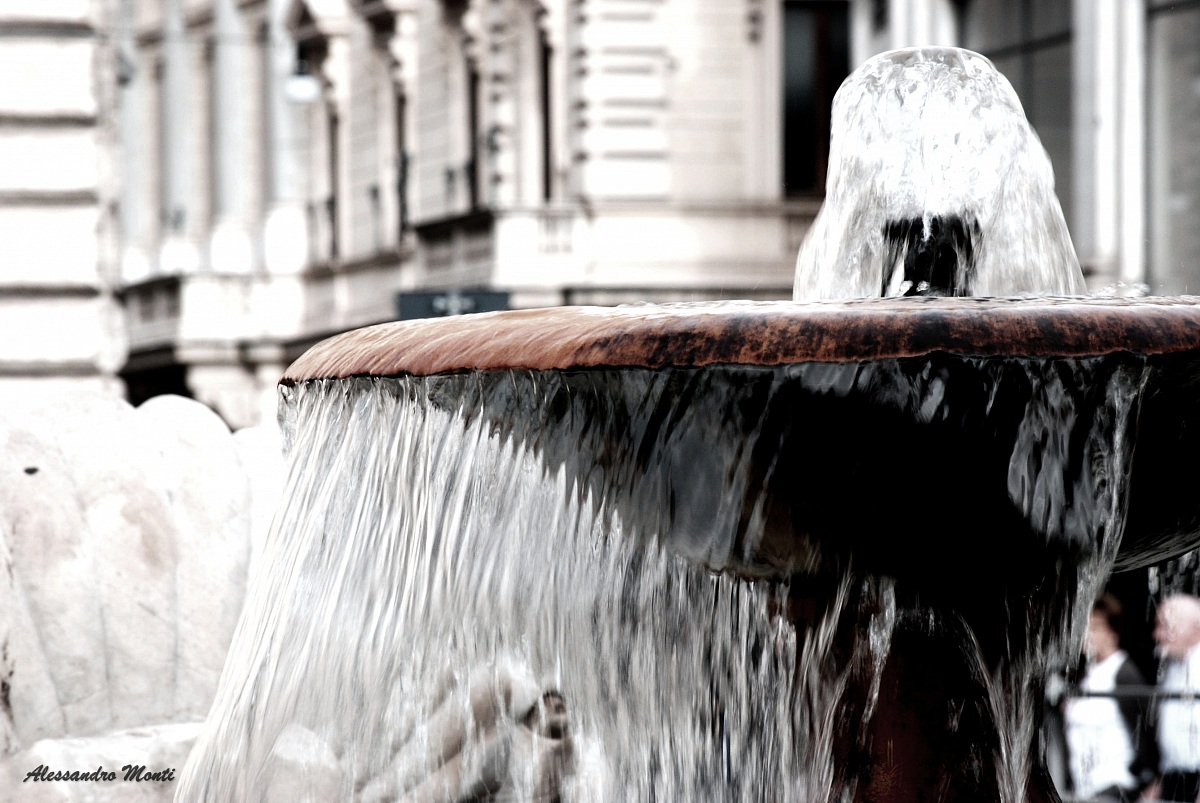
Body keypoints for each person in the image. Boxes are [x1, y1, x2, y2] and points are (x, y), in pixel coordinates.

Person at [1064, 594, 1156, 802]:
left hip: (1115, 785)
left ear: (1113, 632)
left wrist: (1143, 777)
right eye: (1083, 628)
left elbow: (1146, 727)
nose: (1087, 635)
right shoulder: (1086, 674)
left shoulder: (1124, 672)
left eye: (1095, 627)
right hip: (1085, 787)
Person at [1151, 594, 1200, 802]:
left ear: (1196, 629)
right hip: (1174, 778)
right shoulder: (1173, 665)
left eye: (1166, 626)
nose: (1157, 634)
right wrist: (1160, 783)